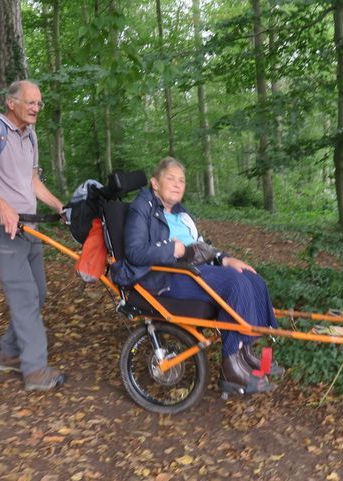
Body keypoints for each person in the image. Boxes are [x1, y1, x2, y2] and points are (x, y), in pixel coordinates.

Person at [110, 157, 283, 394]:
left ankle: (245, 353)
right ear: (155, 183)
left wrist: (225, 258)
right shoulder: (143, 208)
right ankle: (232, 368)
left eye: (181, 180)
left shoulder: (181, 212)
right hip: (164, 275)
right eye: (170, 178)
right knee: (235, 283)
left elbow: (200, 245)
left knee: (252, 278)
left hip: (191, 268)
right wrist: (172, 249)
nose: (177, 184)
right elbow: (135, 251)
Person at [0, 80, 66, 391]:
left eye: (39, 103)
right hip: (1, 226)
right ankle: (35, 371)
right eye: (30, 102)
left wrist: (57, 204)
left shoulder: (30, 135)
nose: (36, 108)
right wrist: (0, 205)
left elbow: (31, 180)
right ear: (11, 103)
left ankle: (8, 353)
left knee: (39, 292)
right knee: (24, 296)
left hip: (28, 226)